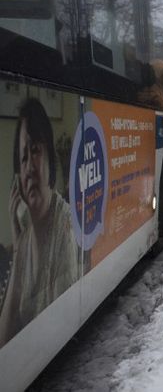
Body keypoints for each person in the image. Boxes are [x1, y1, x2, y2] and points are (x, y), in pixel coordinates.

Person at [0, 98, 80, 345]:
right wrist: (18, 241)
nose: (28, 168)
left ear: (50, 158)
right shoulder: (23, 235)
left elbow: (62, 324)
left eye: (35, 150)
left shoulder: (64, 223)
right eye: (23, 158)